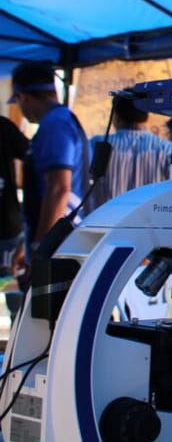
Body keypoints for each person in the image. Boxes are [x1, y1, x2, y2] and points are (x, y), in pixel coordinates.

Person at [6, 62, 89, 280]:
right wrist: (27, 244)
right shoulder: (57, 122)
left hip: (61, 244)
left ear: (23, 97)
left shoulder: (55, 124)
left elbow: (58, 189)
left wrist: (41, 247)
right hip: (58, 240)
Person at [86, 95, 172, 212]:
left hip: (103, 226)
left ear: (115, 116)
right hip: (151, 227)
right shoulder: (166, 150)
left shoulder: (95, 145)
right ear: (147, 117)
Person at [0, 115, 29, 320]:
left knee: (15, 295)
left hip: (7, 226)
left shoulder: (3, 127)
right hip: (7, 223)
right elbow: (33, 156)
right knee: (15, 297)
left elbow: (33, 156)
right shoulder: (3, 126)